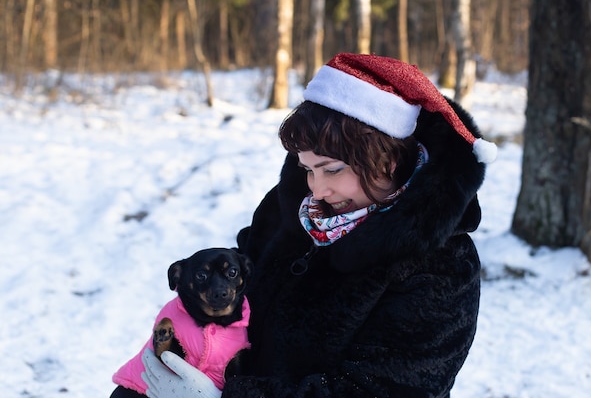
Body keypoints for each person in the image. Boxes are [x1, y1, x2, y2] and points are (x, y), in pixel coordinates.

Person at [139, 53, 497, 398]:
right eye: (307, 169)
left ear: (387, 160)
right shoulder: (295, 208)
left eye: (332, 169)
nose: (317, 188)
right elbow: (247, 273)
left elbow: (379, 390)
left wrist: (226, 396)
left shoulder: (442, 265)